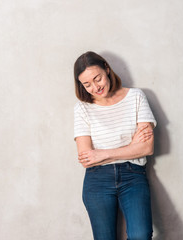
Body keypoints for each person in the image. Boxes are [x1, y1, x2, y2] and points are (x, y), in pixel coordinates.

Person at [73, 51, 156, 240]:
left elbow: (147, 148)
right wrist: (131, 146)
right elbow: (87, 158)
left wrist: (101, 154)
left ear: (107, 70)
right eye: (87, 84)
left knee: (141, 235)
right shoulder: (82, 109)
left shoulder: (136, 97)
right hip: (97, 181)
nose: (95, 87)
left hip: (133, 176)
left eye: (98, 78)